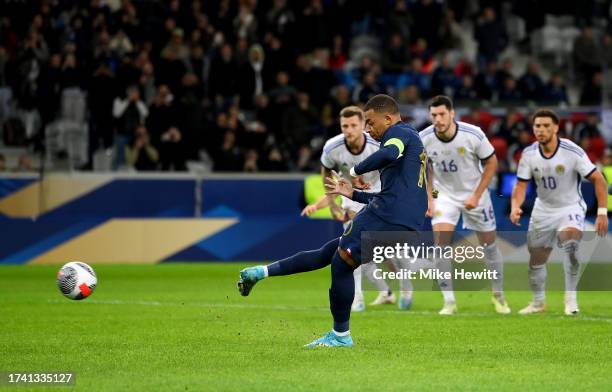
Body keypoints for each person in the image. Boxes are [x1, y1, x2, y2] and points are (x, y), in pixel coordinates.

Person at [238, 95, 428, 347]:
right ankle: (259, 273)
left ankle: (340, 335)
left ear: (389, 118)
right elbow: (393, 194)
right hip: (406, 221)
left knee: (341, 264)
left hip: (389, 215)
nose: (369, 129)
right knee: (331, 251)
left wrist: (354, 171)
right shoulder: (410, 137)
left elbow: (389, 153)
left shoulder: (398, 134)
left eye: (371, 123)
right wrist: (353, 194)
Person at [300, 106, 406, 312]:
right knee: (351, 253)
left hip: (379, 196)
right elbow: (330, 182)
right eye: (344, 126)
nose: (349, 130)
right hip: (352, 201)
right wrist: (326, 205)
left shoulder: (378, 144)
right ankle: (360, 297)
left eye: (353, 125)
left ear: (363, 125)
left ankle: (404, 288)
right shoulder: (333, 148)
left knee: (391, 254)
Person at [510, 109, 608, 315]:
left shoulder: (571, 151)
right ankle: (538, 303)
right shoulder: (528, 154)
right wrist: (515, 206)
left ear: (556, 128)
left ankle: (570, 300)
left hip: (570, 207)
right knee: (536, 259)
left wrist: (601, 212)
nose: (541, 130)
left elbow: (598, 179)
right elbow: (520, 186)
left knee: (570, 244)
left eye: (546, 126)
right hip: (543, 210)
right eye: (537, 126)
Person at [421, 95, 510, 315]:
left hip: (475, 194)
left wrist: (477, 195)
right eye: (434, 115)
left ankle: (498, 295)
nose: (438, 119)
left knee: (489, 247)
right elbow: (426, 169)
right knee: (440, 246)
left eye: (442, 114)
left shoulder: (473, 134)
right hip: (444, 195)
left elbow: (492, 163)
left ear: (452, 114)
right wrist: (432, 198)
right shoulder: (424, 138)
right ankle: (449, 301)